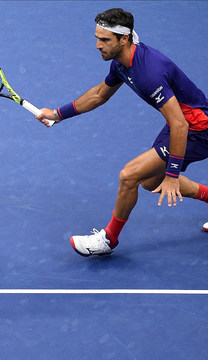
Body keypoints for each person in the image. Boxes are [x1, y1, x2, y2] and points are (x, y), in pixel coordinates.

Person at [35, 8, 208, 256]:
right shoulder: (121, 63)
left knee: (129, 176)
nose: (97, 45)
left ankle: (108, 240)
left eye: (104, 40)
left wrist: (172, 174)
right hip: (178, 123)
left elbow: (181, 125)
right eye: (97, 38)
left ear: (123, 39)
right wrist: (56, 114)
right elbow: (98, 95)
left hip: (197, 129)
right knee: (150, 182)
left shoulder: (149, 72)